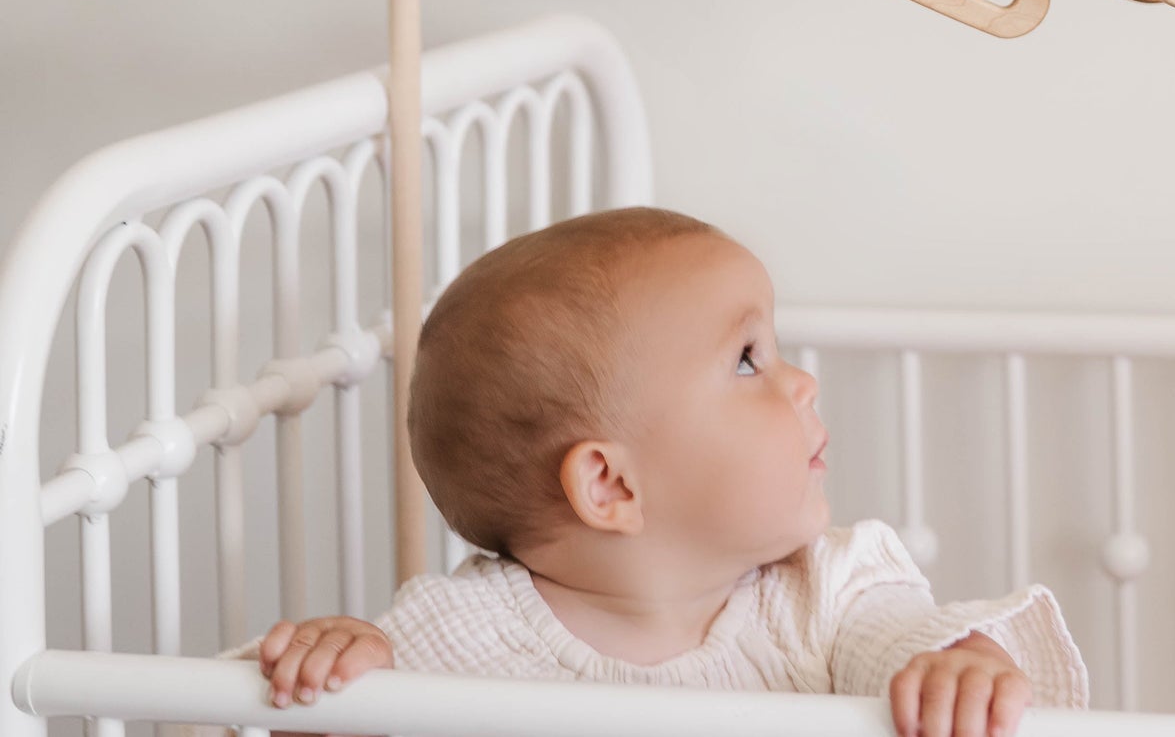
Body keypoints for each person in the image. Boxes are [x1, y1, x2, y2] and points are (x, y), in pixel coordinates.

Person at [254, 208, 1087, 737]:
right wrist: (334, 686)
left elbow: (901, 641)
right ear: (611, 486)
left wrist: (957, 663)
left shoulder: (826, 593)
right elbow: (234, 714)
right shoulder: (462, 635)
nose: (802, 382)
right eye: (748, 361)